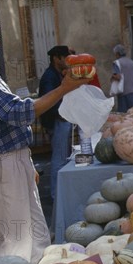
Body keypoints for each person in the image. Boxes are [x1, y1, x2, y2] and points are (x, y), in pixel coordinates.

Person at [0, 5, 89, 264]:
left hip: (12, 160)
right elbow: (16, 113)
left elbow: (11, 114)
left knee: (36, 236)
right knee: (16, 243)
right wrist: (63, 88)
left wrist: (25, 161)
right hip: (3, 163)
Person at [39, 45, 74, 201]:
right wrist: (62, 115)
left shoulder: (57, 74)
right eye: (65, 58)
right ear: (56, 58)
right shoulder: (49, 77)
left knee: (63, 158)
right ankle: (56, 195)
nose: (67, 61)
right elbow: (49, 100)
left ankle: (61, 193)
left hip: (61, 120)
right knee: (59, 159)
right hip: (57, 122)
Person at [111, 44, 133, 113]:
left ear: (117, 53)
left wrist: (112, 77)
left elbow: (118, 77)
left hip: (124, 93)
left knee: (123, 116)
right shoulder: (132, 63)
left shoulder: (117, 63)